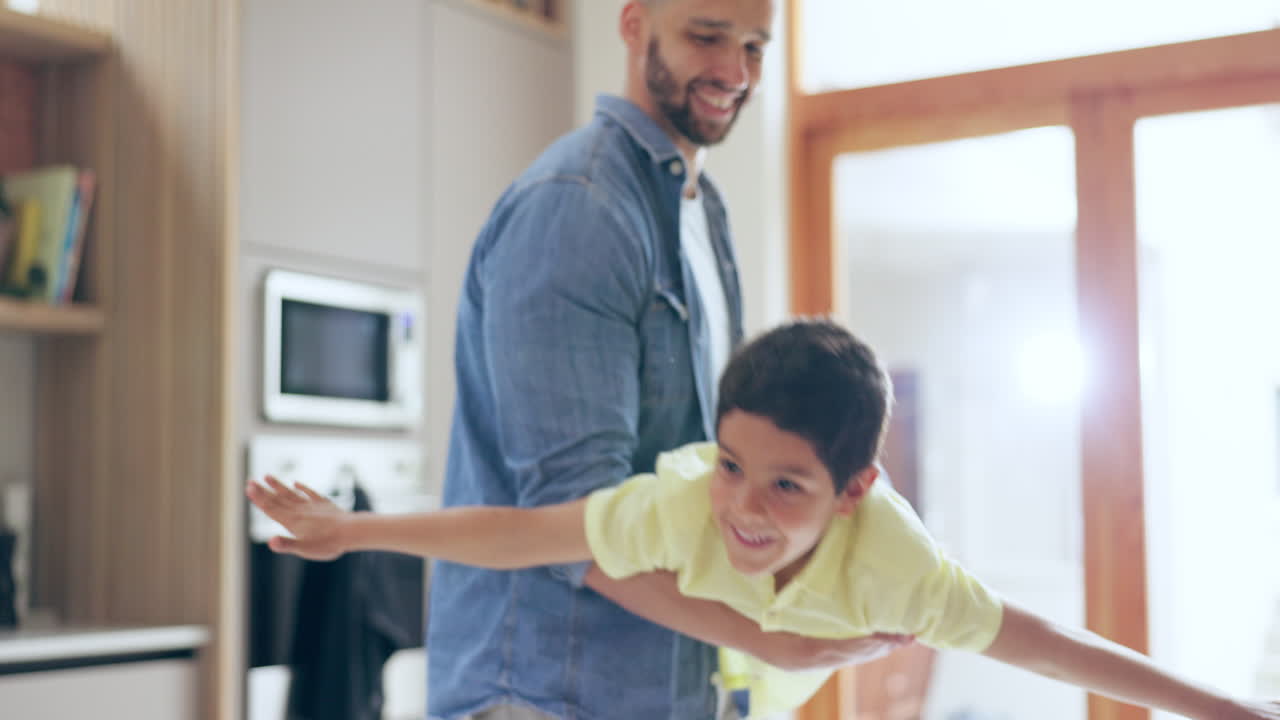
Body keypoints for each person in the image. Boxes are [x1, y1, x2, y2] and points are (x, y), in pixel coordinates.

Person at [248, 318, 1280, 720]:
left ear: (854, 488)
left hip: (763, 691)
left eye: (784, 486)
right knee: (606, 553)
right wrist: (352, 535)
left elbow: (1051, 649)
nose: (742, 507)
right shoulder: (687, 503)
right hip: (712, 660)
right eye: (733, 463)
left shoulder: (900, 572)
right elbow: (523, 535)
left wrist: (1231, 712)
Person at [422, 0, 904, 718]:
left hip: (656, 683)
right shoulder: (579, 210)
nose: (734, 71)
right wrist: (769, 639)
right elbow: (578, 522)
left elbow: (707, 475)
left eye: (754, 47)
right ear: (632, 22)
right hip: (546, 692)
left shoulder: (700, 208)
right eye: (705, 37)